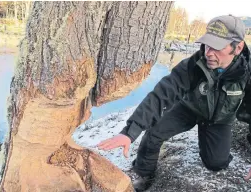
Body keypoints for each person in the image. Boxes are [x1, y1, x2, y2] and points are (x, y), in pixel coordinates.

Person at [97, 15, 251, 191]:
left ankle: (208, 139)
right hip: (190, 108)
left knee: (216, 163)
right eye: (208, 44)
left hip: (219, 119)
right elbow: (161, 94)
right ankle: (143, 173)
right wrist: (129, 132)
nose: (208, 53)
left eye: (217, 47)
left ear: (237, 47)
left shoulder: (247, 72)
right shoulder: (194, 64)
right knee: (154, 132)